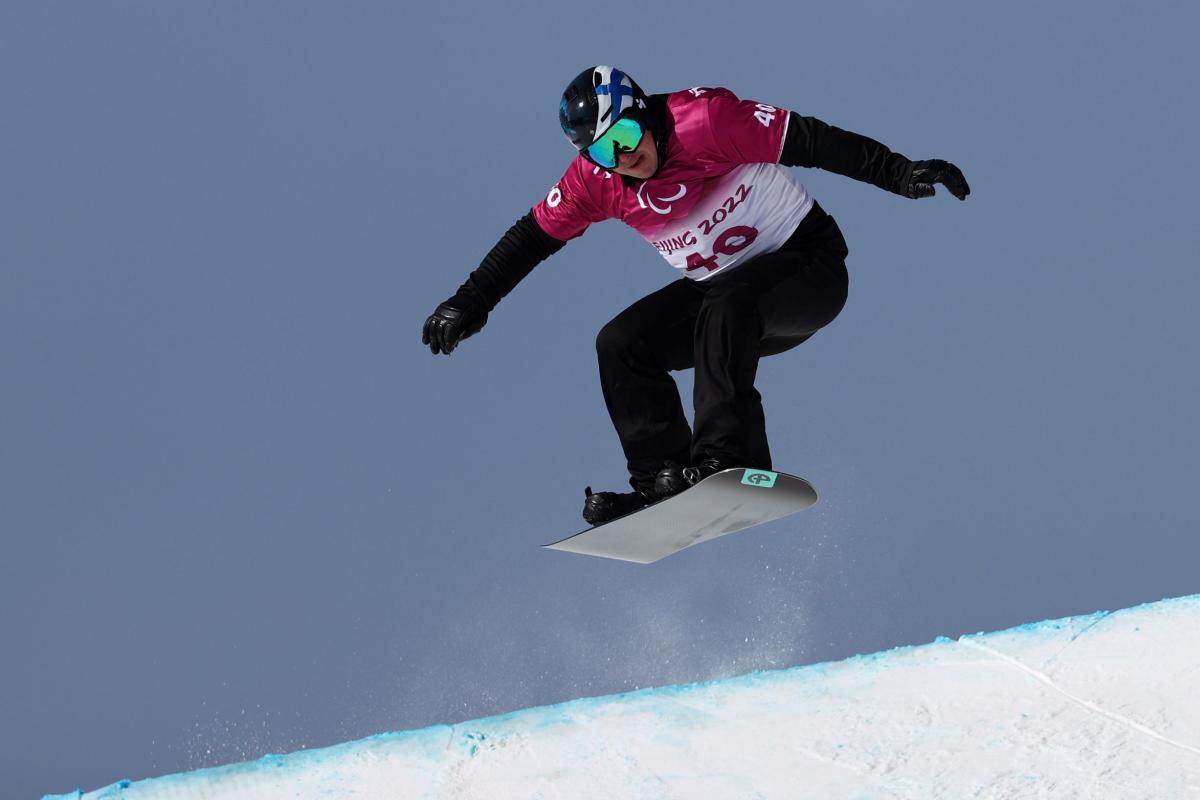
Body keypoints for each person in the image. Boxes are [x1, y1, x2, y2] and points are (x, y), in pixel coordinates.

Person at [422, 65, 969, 526]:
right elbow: (531, 238)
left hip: (809, 273)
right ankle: (663, 481)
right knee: (621, 343)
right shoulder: (598, 180)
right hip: (724, 310)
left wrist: (899, 172)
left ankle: (729, 462)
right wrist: (471, 302)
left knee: (728, 302)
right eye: (604, 152)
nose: (623, 157)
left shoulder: (705, 121)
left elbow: (812, 140)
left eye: (626, 138)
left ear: (643, 112)